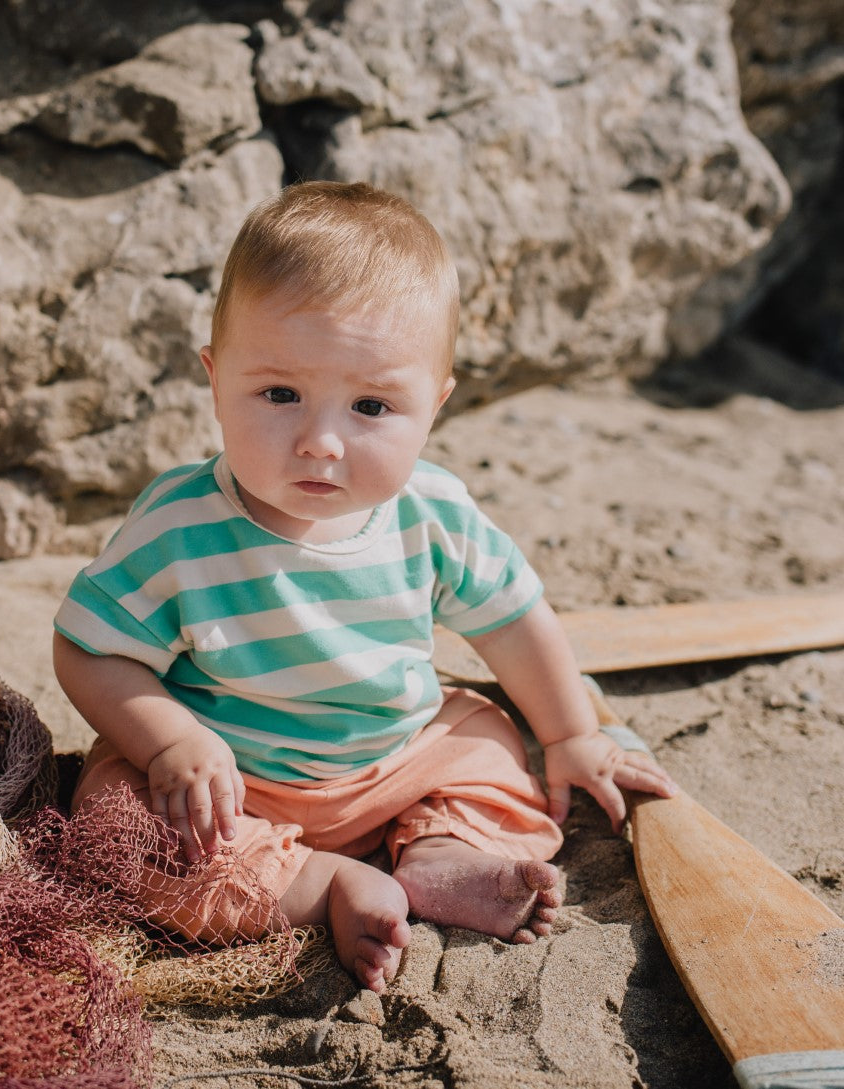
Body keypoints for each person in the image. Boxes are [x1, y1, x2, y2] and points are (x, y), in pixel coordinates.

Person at [53, 181, 676, 993]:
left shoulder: (432, 513)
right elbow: (87, 649)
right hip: (229, 784)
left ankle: (441, 854)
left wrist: (568, 735)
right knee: (115, 826)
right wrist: (170, 739)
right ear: (215, 378)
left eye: (372, 405)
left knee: (488, 740)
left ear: (434, 406)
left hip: (396, 757)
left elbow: (514, 623)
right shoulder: (178, 525)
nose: (320, 441)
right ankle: (323, 886)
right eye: (279, 394)